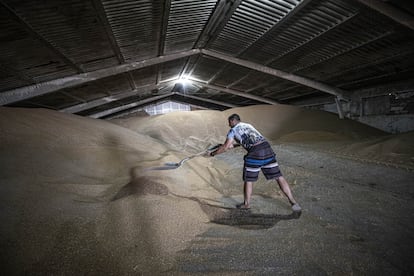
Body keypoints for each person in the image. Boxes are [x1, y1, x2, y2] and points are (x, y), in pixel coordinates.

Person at [208, 113, 301, 212]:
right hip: (267, 149)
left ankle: (246, 204)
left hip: (255, 154)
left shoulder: (233, 130)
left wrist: (212, 153)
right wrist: (232, 145)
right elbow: (250, 140)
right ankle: (293, 202)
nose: (229, 125)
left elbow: (225, 147)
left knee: (249, 180)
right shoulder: (249, 125)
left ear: (232, 121)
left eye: (229, 123)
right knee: (279, 177)